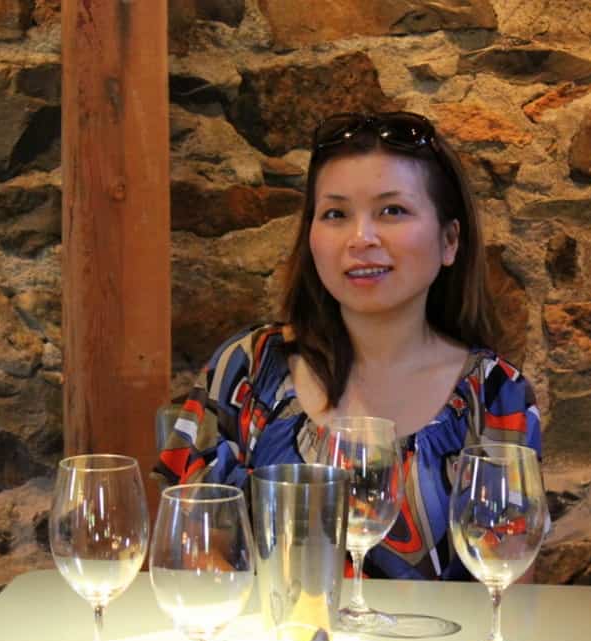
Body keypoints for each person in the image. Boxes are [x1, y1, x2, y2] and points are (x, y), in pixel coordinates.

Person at [154, 111, 541, 580]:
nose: (361, 239)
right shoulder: (247, 368)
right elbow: (187, 552)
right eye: (336, 214)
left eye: (392, 211)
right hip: (267, 630)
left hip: (441, 635)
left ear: (449, 240)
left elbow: (508, 582)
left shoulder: (496, 393)